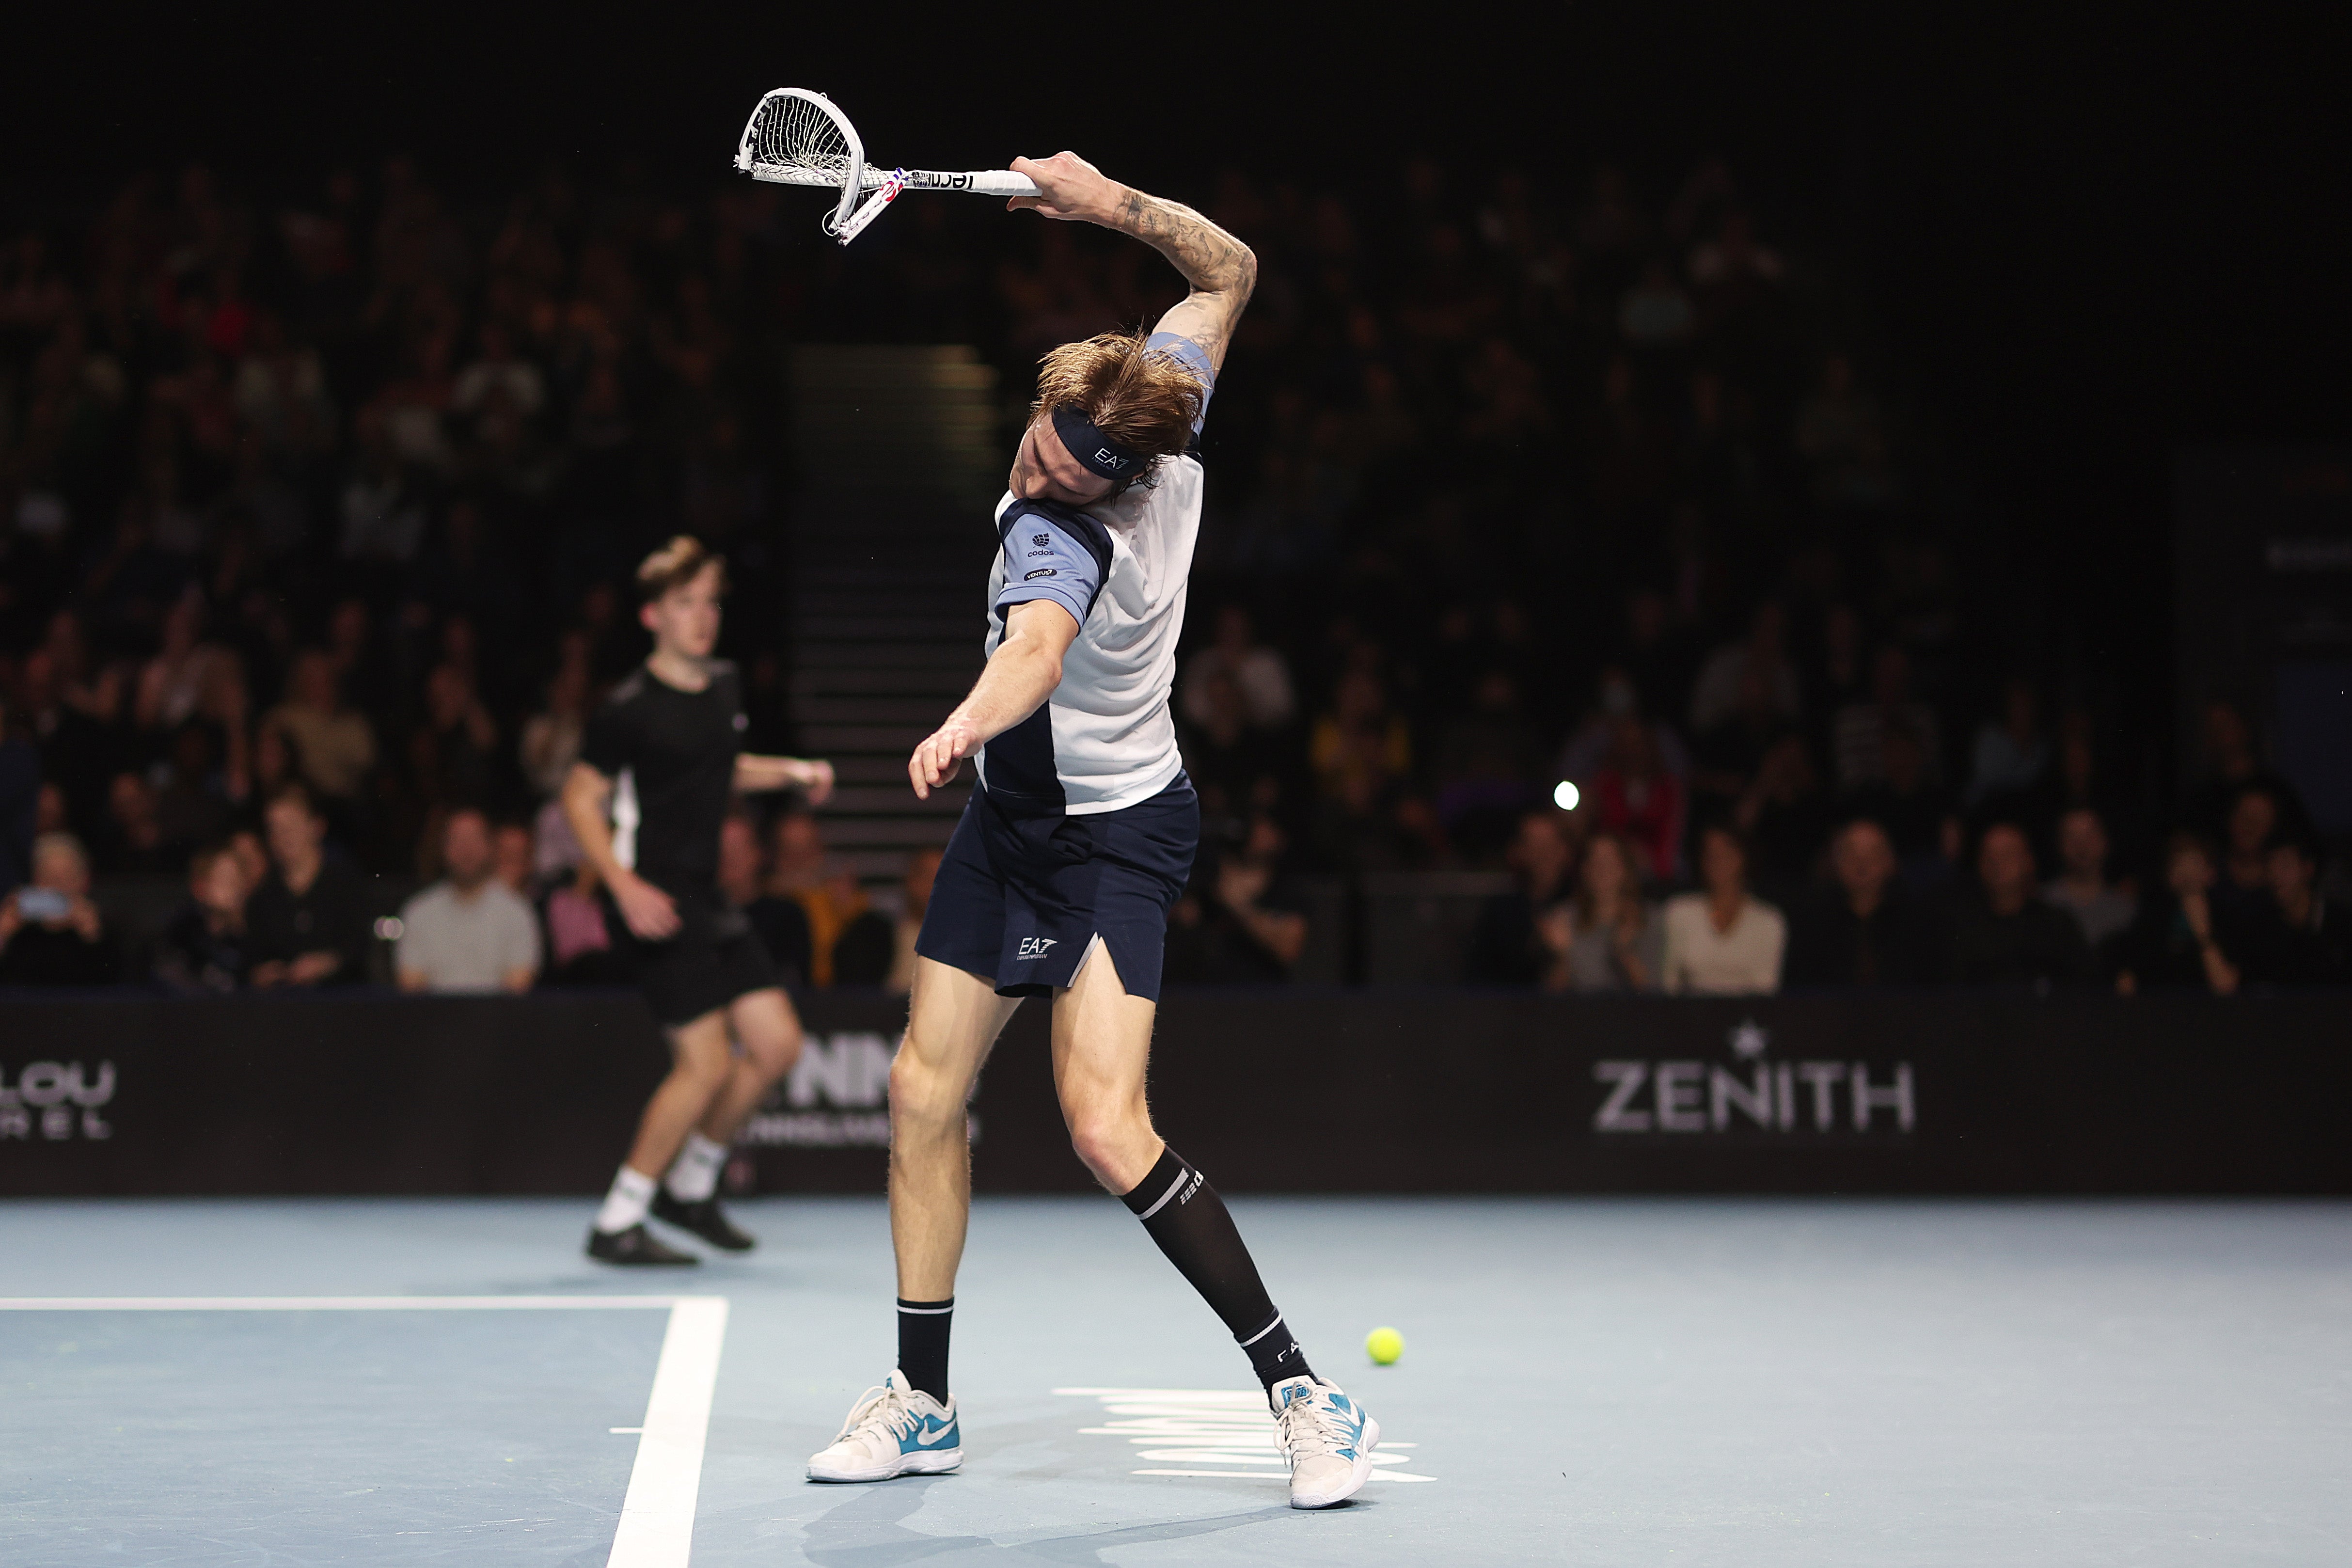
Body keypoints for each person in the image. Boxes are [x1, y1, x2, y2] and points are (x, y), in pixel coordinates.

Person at [806, 156, 1378, 1511]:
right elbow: (1228, 267)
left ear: (1112, 479)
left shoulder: (1063, 538)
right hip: (1012, 826)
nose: (1034, 465)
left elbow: (1037, 659)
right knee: (917, 1095)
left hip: (1115, 834)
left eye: (1060, 471)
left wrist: (961, 715)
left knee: (1105, 1127)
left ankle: (1306, 1394)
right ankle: (925, 1403)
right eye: (1032, 439)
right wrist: (1109, 200)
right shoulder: (1160, 396)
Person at [561, 538, 834, 1266]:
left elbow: (718, 767)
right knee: (705, 1064)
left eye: (711, 602)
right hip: (652, 899)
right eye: (686, 604)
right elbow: (579, 797)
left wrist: (791, 771)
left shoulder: (722, 685)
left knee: (777, 1045)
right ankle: (618, 1219)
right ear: (652, 615)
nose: (703, 617)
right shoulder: (625, 709)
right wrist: (623, 885)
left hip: (709, 899)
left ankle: (692, 1184)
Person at [395, 808, 542, 994]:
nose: (466, 849)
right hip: (434, 1021)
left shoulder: (517, 911)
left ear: (490, 846)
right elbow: (411, 986)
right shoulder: (418, 911)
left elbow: (518, 987)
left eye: (474, 839)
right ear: (444, 847)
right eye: (458, 839)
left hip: (498, 1021)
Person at [245, 782, 374, 988]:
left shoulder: (344, 882)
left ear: (317, 826)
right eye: (275, 828)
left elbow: (361, 945)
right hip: (282, 1006)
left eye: (292, 825)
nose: (284, 837)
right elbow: (253, 959)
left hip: (343, 1001)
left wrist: (328, 963)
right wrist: (264, 974)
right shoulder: (264, 894)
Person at [1784, 818, 1939, 986]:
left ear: (1891, 861)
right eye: (1852, 853)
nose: (1862, 864)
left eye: (1873, 854)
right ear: (1836, 862)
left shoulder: (1918, 921)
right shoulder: (1812, 921)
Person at [1943, 821, 2095, 988]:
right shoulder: (1963, 929)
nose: (1996, 864)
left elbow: (2083, 989)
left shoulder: (2056, 926)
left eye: (2007, 855)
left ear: (2028, 861)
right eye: (1989, 856)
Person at [1660, 823, 1786, 994]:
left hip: (1746, 1019)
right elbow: (1669, 984)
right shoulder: (1679, 911)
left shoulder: (1769, 920)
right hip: (1690, 1017)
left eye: (1726, 853)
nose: (1717, 860)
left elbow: (1767, 990)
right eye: (1710, 854)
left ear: (1744, 857)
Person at [2113, 831, 2241, 996]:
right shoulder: (2153, 917)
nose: (2186, 872)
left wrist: (2202, 931)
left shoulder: (2226, 916)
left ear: (2211, 873)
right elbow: (2129, 979)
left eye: (2194, 862)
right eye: (2178, 863)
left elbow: (2225, 986)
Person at [1465, 808, 1577, 985]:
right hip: (1510, 1008)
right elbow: (1478, 976)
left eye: (1549, 845)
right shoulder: (1500, 910)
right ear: (1518, 851)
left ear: (1565, 850)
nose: (1542, 855)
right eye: (1534, 845)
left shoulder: (1582, 903)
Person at [1540, 829, 1660, 992]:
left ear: (1625, 869)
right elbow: (1549, 999)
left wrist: (1624, 952)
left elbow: (1654, 998)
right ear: (1584, 869)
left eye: (1609, 861)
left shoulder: (1648, 918)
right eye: (1594, 861)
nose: (1602, 868)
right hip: (1577, 1014)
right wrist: (1562, 957)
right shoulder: (1563, 918)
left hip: (1630, 1015)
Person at [0, 832, 117, 986]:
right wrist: (3, 934)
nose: (57, 887)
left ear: (85, 881)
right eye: (48, 877)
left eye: (67, 877)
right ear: (34, 881)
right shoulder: (18, 930)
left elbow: (120, 991)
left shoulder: (108, 929)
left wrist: (93, 938)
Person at [2233, 834, 2345, 987]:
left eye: (2285, 865)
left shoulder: (2342, 923)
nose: (2276, 875)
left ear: (2308, 869)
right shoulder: (2261, 930)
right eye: (2271, 866)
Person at [154, 841, 253, 993]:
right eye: (224, 878)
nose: (235, 887)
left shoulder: (258, 935)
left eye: (238, 878)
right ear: (200, 887)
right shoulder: (180, 937)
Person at [2042, 806, 2135, 954]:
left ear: (2105, 841)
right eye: (2072, 837)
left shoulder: (2125, 908)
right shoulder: (2043, 903)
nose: (2081, 846)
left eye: (2089, 835)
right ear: (2059, 844)